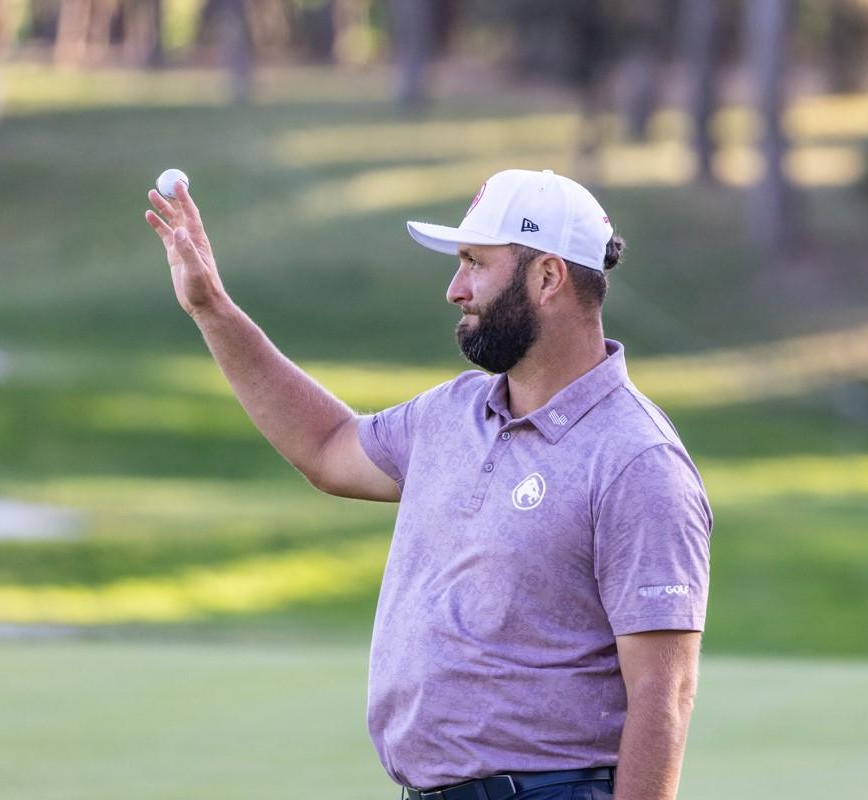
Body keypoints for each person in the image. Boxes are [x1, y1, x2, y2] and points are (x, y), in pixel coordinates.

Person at [144, 168, 713, 800]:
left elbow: (665, 695)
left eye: (475, 263)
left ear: (547, 277)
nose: (455, 289)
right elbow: (327, 447)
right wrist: (211, 308)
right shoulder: (453, 412)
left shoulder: (637, 460)